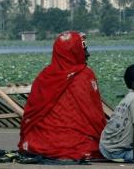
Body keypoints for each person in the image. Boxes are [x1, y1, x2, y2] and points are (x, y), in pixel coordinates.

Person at [18, 31, 106, 160]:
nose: (87, 54)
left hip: (38, 144)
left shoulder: (44, 76)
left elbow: (30, 114)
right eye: (83, 49)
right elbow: (94, 115)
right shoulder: (85, 76)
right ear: (74, 52)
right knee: (90, 145)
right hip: (77, 144)